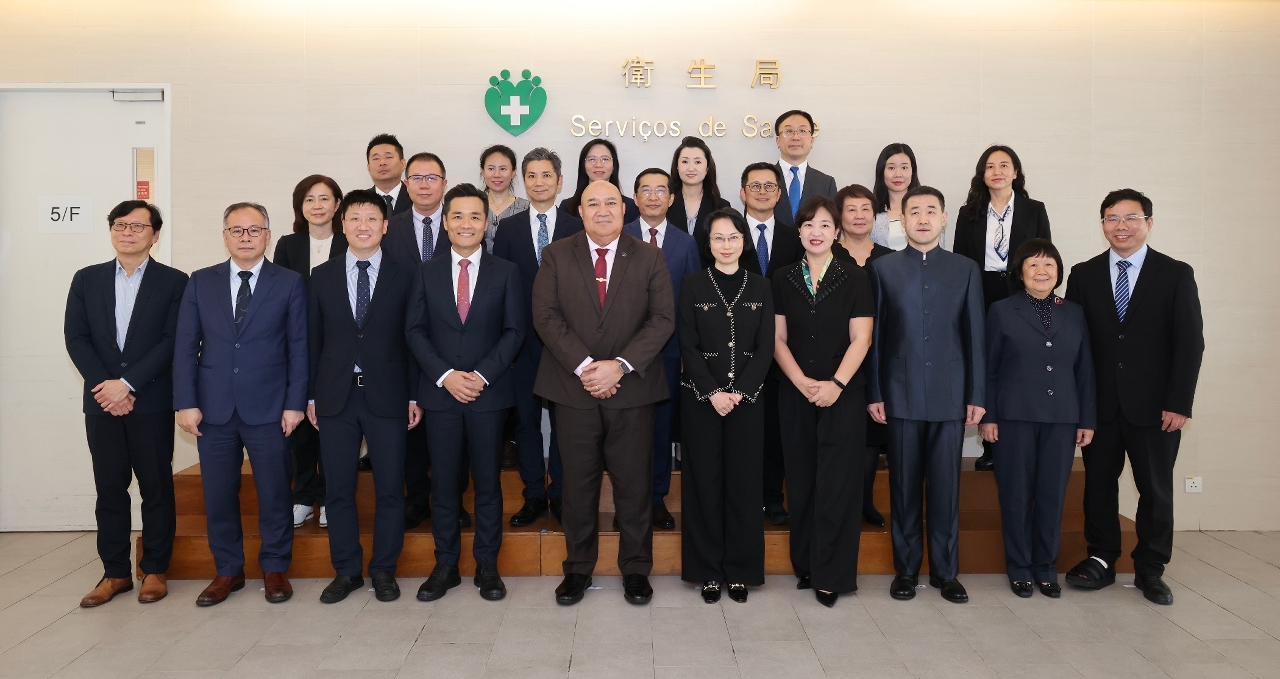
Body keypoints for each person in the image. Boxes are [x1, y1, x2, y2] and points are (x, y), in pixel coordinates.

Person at [532, 180, 675, 607]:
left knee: (634, 484)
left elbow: (662, 319)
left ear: (624, 209)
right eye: (592, 203)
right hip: (573, 389)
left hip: (632, 390)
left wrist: (619, 366)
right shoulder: (556, 254)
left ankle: (636, 569)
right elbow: (545, 316)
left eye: (611, 202)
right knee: (577, 486)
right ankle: (577, 569)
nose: (602, 210)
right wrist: (586, 367)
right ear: (579, 211)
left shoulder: (649, 256)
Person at [1064, 189, 1203, 606]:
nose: (1120, 226)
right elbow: (1075, 343)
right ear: (1103, 224)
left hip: (1157, 408)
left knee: (1155, 491)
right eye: (1112, 218)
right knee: (1098, 487)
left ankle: (1150, 569)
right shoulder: (1083, 274)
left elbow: (1189, 342)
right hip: (1101, 406)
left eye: (1130, 218)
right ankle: (1101, 559)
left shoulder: (1175, 273)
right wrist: (1079, 405)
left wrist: (1179, 402)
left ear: (1149, 223)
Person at [174, 202, 307, 607]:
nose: (245, 237)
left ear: (268, 235)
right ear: (225, 236)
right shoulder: (201, 281)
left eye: (254, 230)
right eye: (237, 230)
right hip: (213, 410)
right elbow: (185, 346)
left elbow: (299, 346)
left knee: (275, 493)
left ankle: (274, 568)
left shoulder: (289, 282)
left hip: (270, 407)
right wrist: (186, 402)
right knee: (218, 495)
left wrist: (295, 403)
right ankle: (227, 570)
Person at [65, 200, 189, 607]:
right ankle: (115, 572)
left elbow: (172, 340)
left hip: (150, 401)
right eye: (120, 225)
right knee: (109, 489)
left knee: (156, 487)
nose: (127, 232)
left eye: (138, 226)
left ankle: (154, 569)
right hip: (102, 402)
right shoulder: (87, 279)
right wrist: (108, 387)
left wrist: (129, 384)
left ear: (155, 235)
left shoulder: (175, 282)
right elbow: (76, 337)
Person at [866, 186, 985, 605]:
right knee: (903, 488)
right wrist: (876, 391)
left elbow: (974, 336)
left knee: (946, 489)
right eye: (914, 211)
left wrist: (976, 393)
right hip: (900, 396)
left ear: (944, 218)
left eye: (930, 211)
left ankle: (946, 572)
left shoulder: (965, 268)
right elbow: (876, 338)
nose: (922, 218)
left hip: (950, 396)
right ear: (901, 218)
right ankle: (905, 570)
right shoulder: (883, 269)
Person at [408, 184, 525, 602]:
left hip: (487, 396)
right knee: (443, 485)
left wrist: (481, 375)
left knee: (488, 484)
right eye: (457, 215)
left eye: (475, 216)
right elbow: (414, 331)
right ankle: (445, 565)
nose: (466, 223)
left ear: (486, 222)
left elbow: (515, 331)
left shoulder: (505, 271)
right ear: (445, 221)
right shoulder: (426, 271)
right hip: (441, 396)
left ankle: (487, 566)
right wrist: (446, 376)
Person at [306, 189, 420, 604]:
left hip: (389, 395)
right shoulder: (321, 275)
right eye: (355, 218)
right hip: (335, 397)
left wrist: (413, 395)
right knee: (338, 489)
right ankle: (347, 571)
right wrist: (311, 397)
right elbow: (312, 340)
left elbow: (413, 340)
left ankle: (384, 569)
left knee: (390, 488)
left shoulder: (406, 275)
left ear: (385, 226)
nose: (363, 226)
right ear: (343, 225)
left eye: (372, 218)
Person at [771, 196, 875, 608]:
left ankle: (832, 575)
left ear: (837, 232)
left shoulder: (855, 277)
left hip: (843, 394)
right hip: (795, 392)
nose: (817, 232)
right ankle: (806, 566)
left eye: (825, 225)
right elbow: (777, 338)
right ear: (799, 231)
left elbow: (862, 339)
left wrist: (836, 384)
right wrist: (800, 381)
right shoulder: (782, 277)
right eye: (809, 225)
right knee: (801, 481)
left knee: (838, 485)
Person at [980, 239, 1095, 599]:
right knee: (1015, 495)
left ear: (1058, 272)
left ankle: (1045, 567)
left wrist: (1087, 419)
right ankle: (1019, 568)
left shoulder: (1074, 312)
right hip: (1013, 417)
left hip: (1062, 418)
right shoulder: (1001, 311)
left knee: (1052, 495)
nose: (1041, 271)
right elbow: (988, 368)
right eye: (1033, 264)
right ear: (1020, 272)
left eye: (1049, 265)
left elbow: (1084, 370)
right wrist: (988, 416)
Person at [678, 208, 773, 604]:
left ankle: (740, 571)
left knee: (744, 487)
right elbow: (687, 343)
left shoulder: (761, 286)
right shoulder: (692, 284)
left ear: (744, 241)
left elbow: (765, 346)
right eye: (718, 238)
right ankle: (707, 572)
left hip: (747, 403)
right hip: (702, 402)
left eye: (733, 237)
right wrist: (713, 392)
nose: (726, 244)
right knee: (703, 485)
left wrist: (741, 391)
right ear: (708, 243)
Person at [493, 148, 584, 527]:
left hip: (566, 344)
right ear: (523, 181)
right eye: (531, 175)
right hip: (522, 344)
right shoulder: (508, 228)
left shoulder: (576, 226)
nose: (539, 182)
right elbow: (501, 288)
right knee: (526, 422)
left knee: (564, 423)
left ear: (560, 181)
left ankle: (560, 493)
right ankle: (533, 493)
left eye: (546, 175)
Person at [953, 146, 1053, 472]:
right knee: (986, 366)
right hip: (981, 293)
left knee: (1018, 365)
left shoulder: (1033, 209)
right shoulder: (969, 212)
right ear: (982, 174)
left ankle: (1021, 440)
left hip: (1020, 292)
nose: (997, 171)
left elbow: (1044, 255)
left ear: (1015, 172)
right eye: (990, 166)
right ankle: (990, 445)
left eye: (1004, 165)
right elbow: (961, 261)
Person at [383, 151, 467, 529]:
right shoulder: (391, 227)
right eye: (416, 178)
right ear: (405, 184)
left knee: (455, 426)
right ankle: (417, 498)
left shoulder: (461, 222)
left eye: (432, 177)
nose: (424, 184)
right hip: (403, 342)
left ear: (445, 183)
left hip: (454, 342)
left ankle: (454, 499)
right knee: (411, 424)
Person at [622, 168, 701, 530]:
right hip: (622, 353)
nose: (653, 197)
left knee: (661, 427)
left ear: (671, 199)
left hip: (669, 352)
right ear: (634, 198)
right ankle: (628, 501)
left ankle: (656, 498)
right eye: (645, 190)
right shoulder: (619, 236)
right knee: (626, 430)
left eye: (660, 191)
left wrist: (687, 352)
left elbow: (692, 302)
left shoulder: (686, 243)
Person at [274, 175, 348, 530]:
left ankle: (332, 498)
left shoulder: (350, 241)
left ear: (337, 204)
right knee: (300, 428)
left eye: (324, 198)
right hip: (297, 345)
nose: (317, 206)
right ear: (300, 206)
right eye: (309, 199)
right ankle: (303, 497)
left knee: (334, 429)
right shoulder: (288, 245)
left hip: (338, 346)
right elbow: (278, 295)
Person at [738, 161, 803, 526]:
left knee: (777, 429)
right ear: (742, 192)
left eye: (769, 186)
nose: (762, 192)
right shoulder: (727, 233)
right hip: (736, 348)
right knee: (742, 429)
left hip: (784, 348)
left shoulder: (796, 238)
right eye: (755, 185)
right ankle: (743, 499)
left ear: (779, 194)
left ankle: (772, 498)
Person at [830, 184, 895, 528]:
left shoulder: (889, 258)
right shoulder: (825, 254)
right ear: (839, 216)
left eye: (865, 209)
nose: (859, 216)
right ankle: (839, 502)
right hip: (835, 357)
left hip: (878, 355)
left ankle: (864, 500)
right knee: (839, 431)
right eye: (851, 209)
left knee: (871, 433)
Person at [772, 110, 838, 229]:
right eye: (788, 131)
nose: (795, 137)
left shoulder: (826, 183)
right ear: (778, 141)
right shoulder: (762, 181)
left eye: (802, 131)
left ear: (812, 140)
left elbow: (832, 226)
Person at [560, 139, 641, 223]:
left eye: (605, 159)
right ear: (583, 166)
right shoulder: (567, 207)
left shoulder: (631, 207)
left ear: (614, 166)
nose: (598, 165)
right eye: (592, 159)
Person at [666, 136, 730, 238]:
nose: (691, 168)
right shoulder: (665, 204)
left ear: (707, 168)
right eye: (685, 162)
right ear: (677, 167)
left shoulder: (721, 207)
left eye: (698, 162)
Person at [869, 143, 921, 251]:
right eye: (891, 168)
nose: (898, 174)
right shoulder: (869, 211)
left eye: (904, 167)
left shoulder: (929, 208)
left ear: (912, 170)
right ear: (882, 171)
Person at [480, 144, 529, 253]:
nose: (497, 174)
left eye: (503, 169)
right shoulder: (474, 206)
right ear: (483, 171)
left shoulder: (527, 208)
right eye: (491, 169)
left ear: (513, 172)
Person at [367, 133, 411, 216]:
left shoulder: (416, 198)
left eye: (388, 157)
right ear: (368, 167)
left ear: (402, 164)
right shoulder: (360, 202)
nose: (382, 162)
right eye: (376, 158)